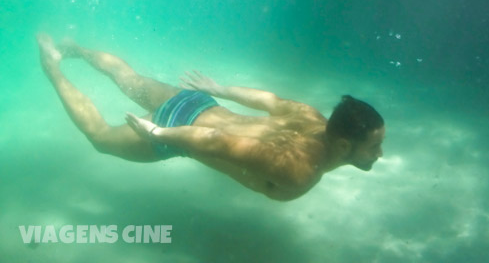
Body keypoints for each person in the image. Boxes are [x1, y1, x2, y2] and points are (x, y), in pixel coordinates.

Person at [36, 34, 385, 201]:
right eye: (374, 147)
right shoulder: (299, 171)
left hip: (197, 102)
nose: (379, 154)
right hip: (181, 132)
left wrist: (220, 89)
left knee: (130, 79)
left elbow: (269, 99)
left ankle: (72, 49)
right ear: (343, 143)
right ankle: (51, 67)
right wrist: (158, 133)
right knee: (99, 138)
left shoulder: (311, 116)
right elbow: (217, 142)